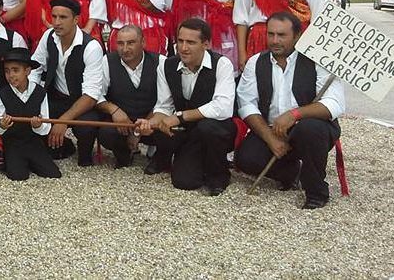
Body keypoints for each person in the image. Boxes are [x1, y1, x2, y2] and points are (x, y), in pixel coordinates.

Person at [235, 12, 346, 210]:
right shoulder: (255, 62)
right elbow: (246, 103)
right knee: (245, 159)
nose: (275, 41)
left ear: (297, 36)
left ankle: (316, 191)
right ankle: (293, 173)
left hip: (311, 129)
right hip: (272, 129)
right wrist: (270, 137)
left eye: (281, 35)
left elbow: (334, 104)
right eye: (271, 34)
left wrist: (294, 115)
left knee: (310, 129)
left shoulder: (317, 61)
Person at [136, 18, 236, 196]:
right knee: (184, 182)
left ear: (206, 44)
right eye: (180, 41)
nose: (183, 47)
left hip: (214, 128)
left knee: (209, 127)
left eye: (190, 42)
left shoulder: (222, 64)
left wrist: (180, 116)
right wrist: (150, 123)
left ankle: (218, 175)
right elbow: (164, 106)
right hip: (187, 131)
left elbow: (223, 107)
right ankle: (169, 157)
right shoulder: (167, 65)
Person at [30, 0, 105, 163]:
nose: (56, 22)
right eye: (54, 16)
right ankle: (61, 145)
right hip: (55, 97)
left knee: (86, 128)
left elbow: (91, 95)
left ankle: (85, 155)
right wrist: (31, 96)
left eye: (63, 17)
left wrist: (62, 121)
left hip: (82, 101)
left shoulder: (91, 47)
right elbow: (35, 67)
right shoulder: (48, 36)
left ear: (76, 20)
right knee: (33, 120)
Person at [0, 48, 61, 181]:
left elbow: (46, 127)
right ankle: (20, 162)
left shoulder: (40, 92)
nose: (11, 75)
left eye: (15, 70)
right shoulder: (3, 93)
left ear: (27, 71)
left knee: (53, 173)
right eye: (7, 71)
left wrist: (37, 126)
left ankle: (33, 161)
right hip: (13, 142)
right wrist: (2, 125)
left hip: (33, 141)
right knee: (18, 176)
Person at [95, 25, 164, 168]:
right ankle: (123, 153)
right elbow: (96, 95)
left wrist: (141, 128)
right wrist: (114, 110)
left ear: (143, 43)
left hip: (151, 119)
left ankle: (160, 156)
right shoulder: (107, 61)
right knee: (106, 132)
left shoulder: (161, 62)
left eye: (131, 43)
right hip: (122, 122)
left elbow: (165, 101)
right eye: (120, 43)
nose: (125, 49)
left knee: (167, 129)